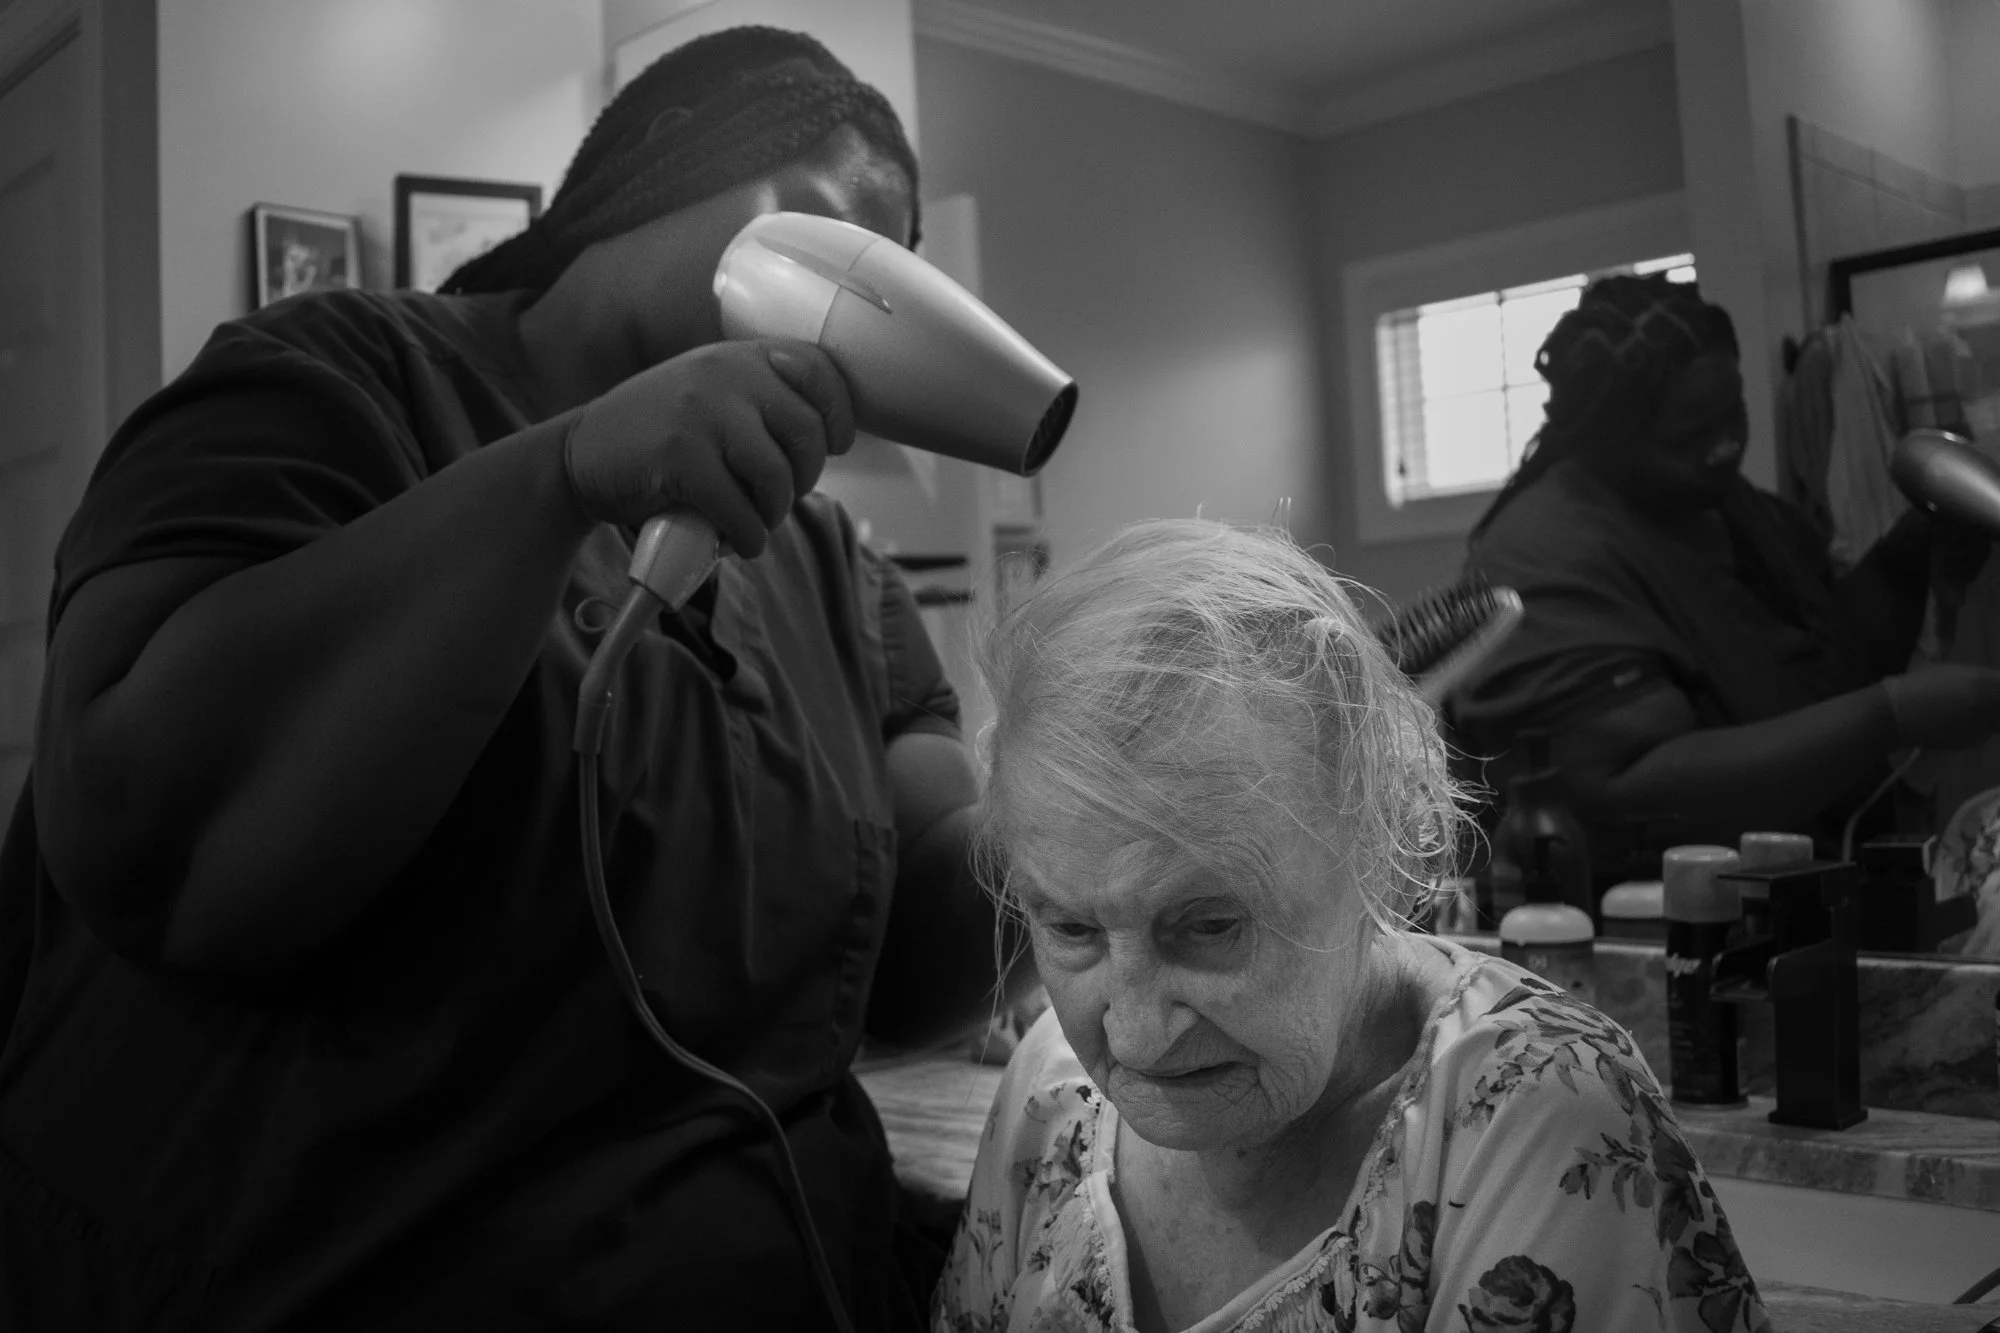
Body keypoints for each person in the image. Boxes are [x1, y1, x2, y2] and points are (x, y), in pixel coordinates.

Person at [0, 27, 1014, 1332]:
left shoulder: (839, 574)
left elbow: (916, 958)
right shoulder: (325, 384)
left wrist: (1081, 821)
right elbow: (154, 837)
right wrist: (562, 475)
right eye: (831, 233)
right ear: (663, 163)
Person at [934, 519, 1769, 1333]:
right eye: (1072, 928)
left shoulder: (1540, 1121)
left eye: (1211, 926)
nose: (1137, 1034)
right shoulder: (1052, 1089)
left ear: (1378, 851)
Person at [1454, 273, 2000, 858]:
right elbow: (1623, 786)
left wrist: (1904, 563)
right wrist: (1890, 717)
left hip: (1808, 881)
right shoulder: (1543, 554)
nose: (1725, 447)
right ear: (1605, 437)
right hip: (1650, 906)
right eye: (1687, 434)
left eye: (1732, 414)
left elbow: (1825, 667)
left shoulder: (1735, 509)